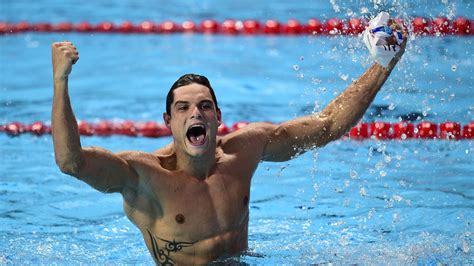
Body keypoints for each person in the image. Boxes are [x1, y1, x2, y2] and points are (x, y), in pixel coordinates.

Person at [51, 24, 407, 264]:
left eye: (205, 106)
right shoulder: (142, 176)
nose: (196, 113)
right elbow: (72, 163)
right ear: (168, 122)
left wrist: (384, 63)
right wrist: (61, 81)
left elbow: (328, 125)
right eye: (183, 108)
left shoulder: (245, 150)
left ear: (218, 117)